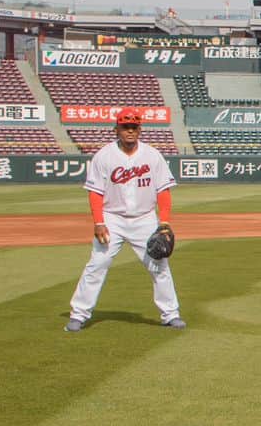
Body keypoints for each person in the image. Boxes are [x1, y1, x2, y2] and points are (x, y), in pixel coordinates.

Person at [65, 107, 185, 332]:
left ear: (140, 130)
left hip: (145, 219)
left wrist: (165, 221)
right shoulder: (104, 155)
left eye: (134, 127)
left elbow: (163, 191)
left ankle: (170, 314)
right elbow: (95, 192)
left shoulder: (152, 155)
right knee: (97, 264)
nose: (130, 131)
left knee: (159, 266)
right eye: (125, 127)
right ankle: (79, 314)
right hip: (113, 219)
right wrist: (99, 222)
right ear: (116, 129)